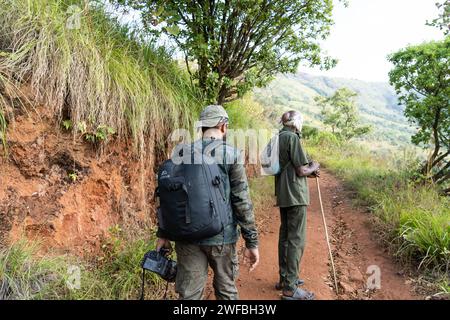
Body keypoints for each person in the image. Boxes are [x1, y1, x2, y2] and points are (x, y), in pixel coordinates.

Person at [156, 104, 260, 300]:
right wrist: (251, 241)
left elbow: (168, 196)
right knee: (226, 291)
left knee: (189, 295)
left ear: (202, 127)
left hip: (187, 237)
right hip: (222, 237)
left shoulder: (181, 153)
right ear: (223, 126)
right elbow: (241, 200)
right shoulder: (231, 154)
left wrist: (163, 234)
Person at [275, 110, 320, 300]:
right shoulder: (292, 138)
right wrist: (314, 166)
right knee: (296, 239)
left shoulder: (278, 137)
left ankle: (285, 278)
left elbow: (291, 166)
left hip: (284, 193)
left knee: (285, 236)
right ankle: (290, 288)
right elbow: (301, 170)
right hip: (295, 194)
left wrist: (308, 170)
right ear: (295, 122)